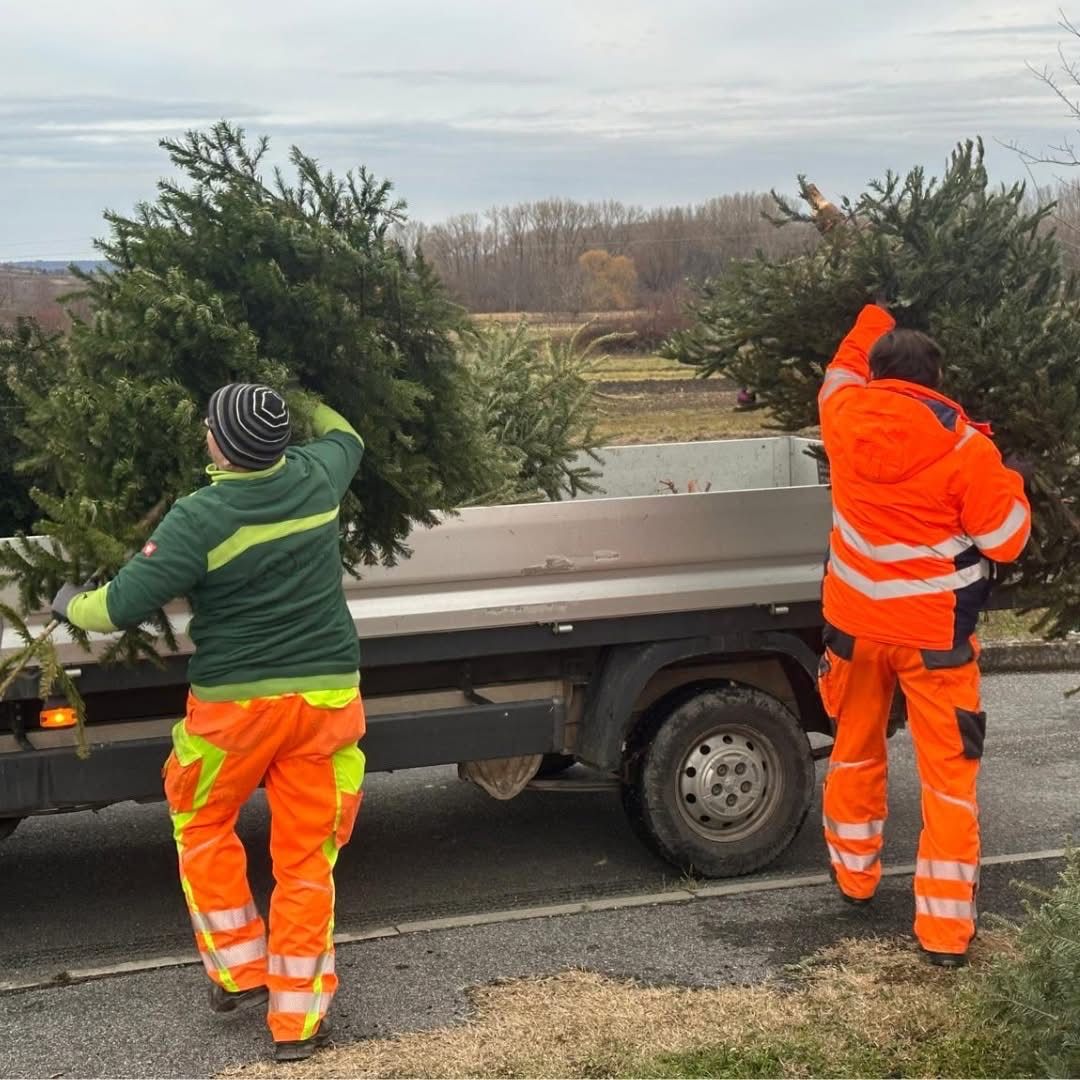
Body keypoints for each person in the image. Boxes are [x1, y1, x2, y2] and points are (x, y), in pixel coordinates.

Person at [52, 383, 366, 1062]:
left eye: (208, 426)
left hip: (237, 711)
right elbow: (349, 434)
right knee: (309, 858)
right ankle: (298, 1026)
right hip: (327, 704)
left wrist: (68, 605)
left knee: (200, 821)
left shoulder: (201, 517)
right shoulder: (319, 476)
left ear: (222, 443)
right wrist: (304, 397)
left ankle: (241, 969)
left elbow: (117, 609)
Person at [816, 304, 1031, 968]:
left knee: (853, 752)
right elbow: (1007, 540)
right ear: (937, 379)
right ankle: (942, 934)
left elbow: (839, 369)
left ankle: (854, 878)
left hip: (854, 629)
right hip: (932, 641)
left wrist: (879, 308)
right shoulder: (967, 448)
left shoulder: (842, 415)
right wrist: (1014, 483)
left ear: (877, 372)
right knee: (947, 781)